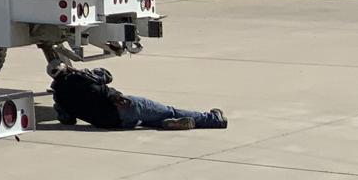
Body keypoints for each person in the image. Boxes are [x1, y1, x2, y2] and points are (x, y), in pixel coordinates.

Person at [49, 63, 226, 131]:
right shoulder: (79, 77)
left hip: (111, 123)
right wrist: (81, 71)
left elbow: (67, 120)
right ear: (66, 68)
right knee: (167, 110)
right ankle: (212, 119)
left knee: (148, 118)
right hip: (123, 106)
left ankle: (166, 124)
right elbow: (106, 76)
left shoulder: (59, 98)